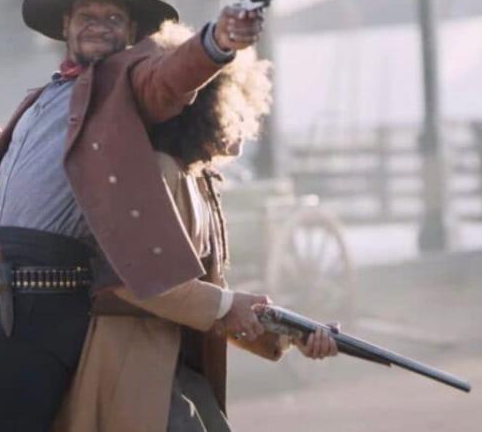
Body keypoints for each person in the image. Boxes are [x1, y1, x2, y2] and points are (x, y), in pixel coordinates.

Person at [0, 0, 278, 431]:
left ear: (131, 34)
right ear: (66, 24)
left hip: (55, 299)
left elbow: (170, 78)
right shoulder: (44, 98)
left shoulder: (128, 85)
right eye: (87, 16)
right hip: (11, 299)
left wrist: (218, 42)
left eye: (114, 18)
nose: (99, 26)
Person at [53, 24, 338, 432]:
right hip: (134, 371)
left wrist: (291, 335)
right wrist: (228, 304)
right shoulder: (159, 171)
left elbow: (213, 305)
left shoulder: (198, 180)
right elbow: (134, 279)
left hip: (177, 370)